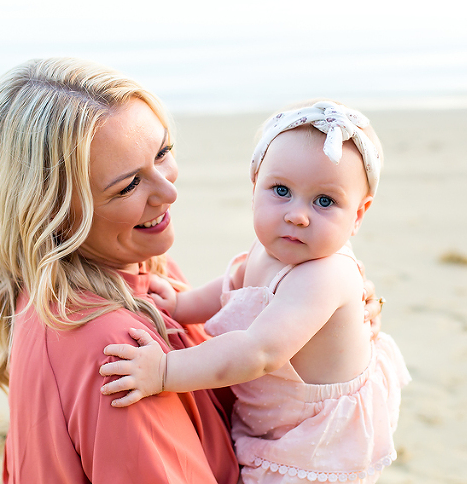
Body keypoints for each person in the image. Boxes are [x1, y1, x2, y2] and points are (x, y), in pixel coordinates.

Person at [0, 57, 388, 483]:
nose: (170, 192)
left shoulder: (143, 267)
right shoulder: (117, 356)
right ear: (52, 214)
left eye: (163, 153)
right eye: (129, 185)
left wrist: (326, 332)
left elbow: (238, 366)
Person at [100, 101, 410, 483]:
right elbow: (234, 286)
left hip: (312, 441)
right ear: (254, 188)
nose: (297, 215)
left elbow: (259, 352)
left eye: (324, 201)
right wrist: (181, 305)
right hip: (273, 414)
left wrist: (164, 371)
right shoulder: (272, 246)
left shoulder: (324, 275)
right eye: (281, 190)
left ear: (358, 214)